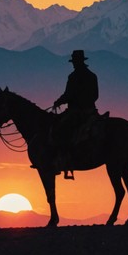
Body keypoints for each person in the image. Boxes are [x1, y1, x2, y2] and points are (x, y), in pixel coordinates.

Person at [52, 49, 99, 178]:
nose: (73, 64)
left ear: (76, 62)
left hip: (76, 112)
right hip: (91, 111)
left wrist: (59, 102)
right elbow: (95, 95)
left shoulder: (73, 77)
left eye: (74, 62)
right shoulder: (92, 76)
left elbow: (68, 94)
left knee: (59, 130)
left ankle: (62, 161)